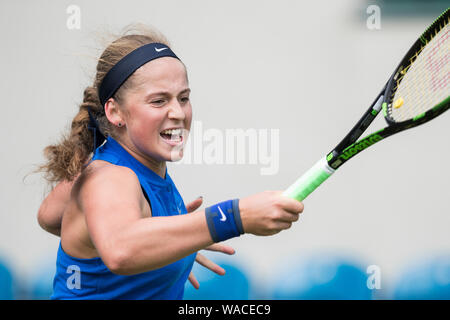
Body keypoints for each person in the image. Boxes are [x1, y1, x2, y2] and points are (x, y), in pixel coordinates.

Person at [37, 25, 304, 300]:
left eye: (184, 98)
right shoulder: (111, 177)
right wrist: (236, 216)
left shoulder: (121, 168)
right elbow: (121, 250)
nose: (178, 112)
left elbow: (49, 215)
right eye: (158, 101)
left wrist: (165, 247)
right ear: (115, 111)